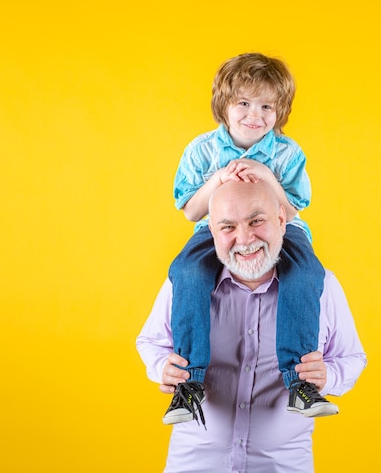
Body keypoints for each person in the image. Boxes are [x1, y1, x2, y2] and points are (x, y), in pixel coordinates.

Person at [136, 180, 367, 472]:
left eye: (256, 221)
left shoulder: (320, 286)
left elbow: (353, 357)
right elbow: (151, 341)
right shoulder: (185, 285)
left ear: (282, 219)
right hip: (194, 463)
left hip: (282, 465)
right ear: (212, 233)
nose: (244, 239)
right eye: (228, 227)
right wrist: (162, 368)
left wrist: (327, 377)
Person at [166, 52, 331, 425]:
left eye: (266, 106)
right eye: (243, 103)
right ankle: (189, 383)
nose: (254, 115)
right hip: (217, 232)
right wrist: (220, 179)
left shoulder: (288, 153)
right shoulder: (202, 150)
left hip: (280, 231)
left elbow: (290, 212)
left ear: (280, 111)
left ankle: (299, 383)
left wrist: (264, 175)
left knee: (306, 275)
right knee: (187, 273)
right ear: (224, 104)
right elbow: (192, 212)